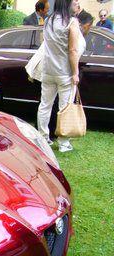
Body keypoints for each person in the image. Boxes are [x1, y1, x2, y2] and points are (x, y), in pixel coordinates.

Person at [37, 0, 85, 152]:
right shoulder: (71, 22)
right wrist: (75, 73)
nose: (76, 3)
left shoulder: (48, 21)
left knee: (45, 105)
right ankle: (63, 143)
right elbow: (73, 50)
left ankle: (43, 138)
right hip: (64, 72)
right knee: (64, 107)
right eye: (74, 1)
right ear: (67, 3)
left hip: (48, 70)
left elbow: (44, 43)